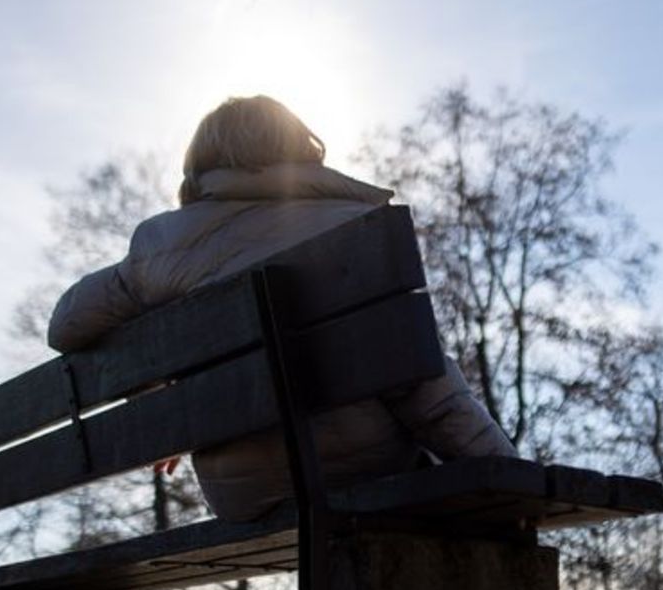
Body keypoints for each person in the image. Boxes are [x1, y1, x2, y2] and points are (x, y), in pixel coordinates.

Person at [47, 95, 517, 522]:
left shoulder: (159, 246)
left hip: (242, 496)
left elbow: (65, 325)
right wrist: (513, 480)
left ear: (201, 163)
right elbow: (427, 390)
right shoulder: (356, 229)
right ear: (299, 145)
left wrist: (160, 394)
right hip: (367, 472)